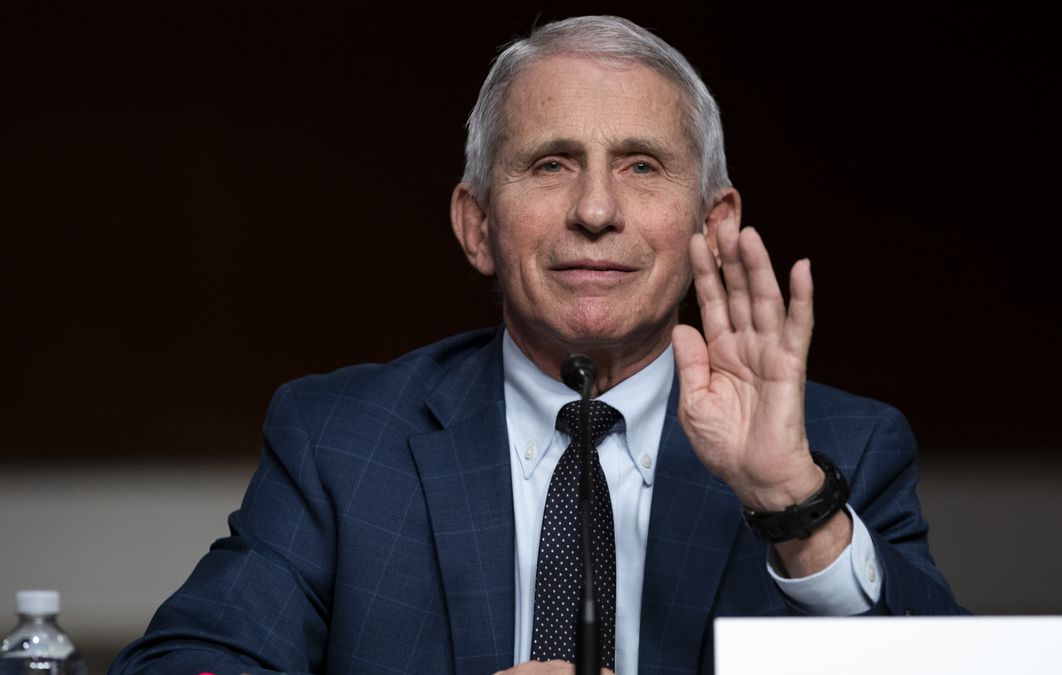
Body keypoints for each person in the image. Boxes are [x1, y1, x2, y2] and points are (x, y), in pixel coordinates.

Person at [111, 15, 963, 675]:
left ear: (714, 224)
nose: (596, 209)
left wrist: (793, 505)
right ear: (477, 225)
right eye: (552, 163)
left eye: (640, 165)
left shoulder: (840, 454)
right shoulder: (339, 442)